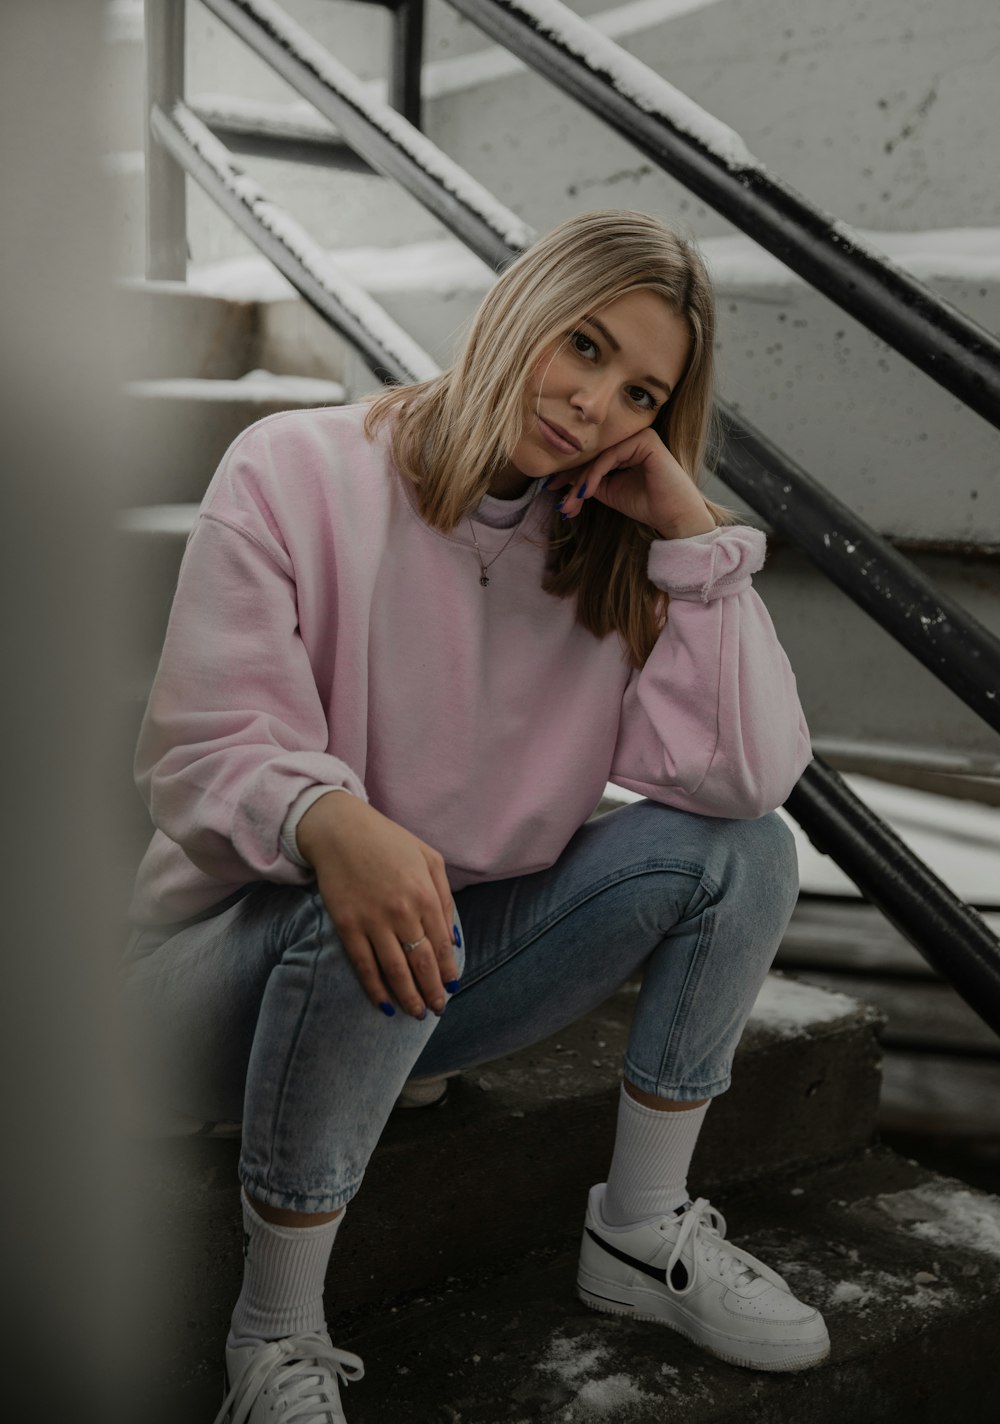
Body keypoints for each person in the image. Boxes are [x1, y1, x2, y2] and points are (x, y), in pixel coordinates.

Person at [122, 209, 828, 1423]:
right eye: (585, 345)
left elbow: (742, 778)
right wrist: (330, 819)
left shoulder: (605, 553)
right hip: (205, 994)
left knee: (743, 852)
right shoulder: (297, 467)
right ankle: (276, 1333)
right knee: (378, 872)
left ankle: (638, 1227)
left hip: (425, 981)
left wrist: (692, 543)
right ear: (524, 305)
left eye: (640, 392)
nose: (592, 404)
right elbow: (203, 747)